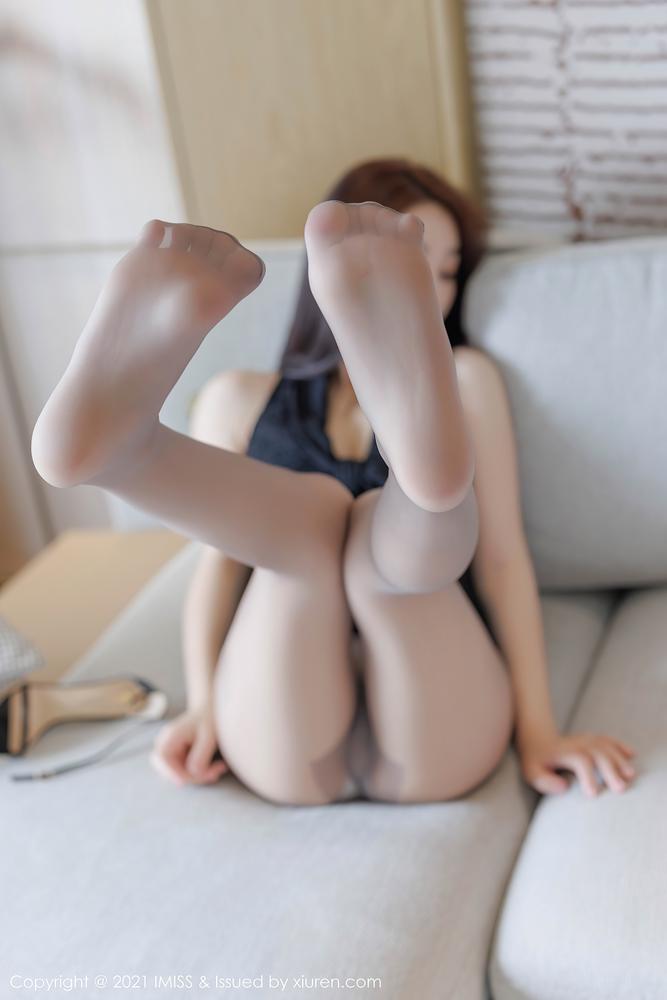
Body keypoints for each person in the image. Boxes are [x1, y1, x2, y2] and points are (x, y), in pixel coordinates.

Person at [30, 158, 637, 805]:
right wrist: (203, 704)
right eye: (418, 268)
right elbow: (217, 570)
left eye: (446, 272)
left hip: (430, 697)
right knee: (316, 536)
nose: (438, 292)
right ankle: (121, 449)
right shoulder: (238, 399)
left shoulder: (468, 380)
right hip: (290, 704)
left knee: (373, 548)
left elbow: (502, 559)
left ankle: (133, 459)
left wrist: (540, 730)